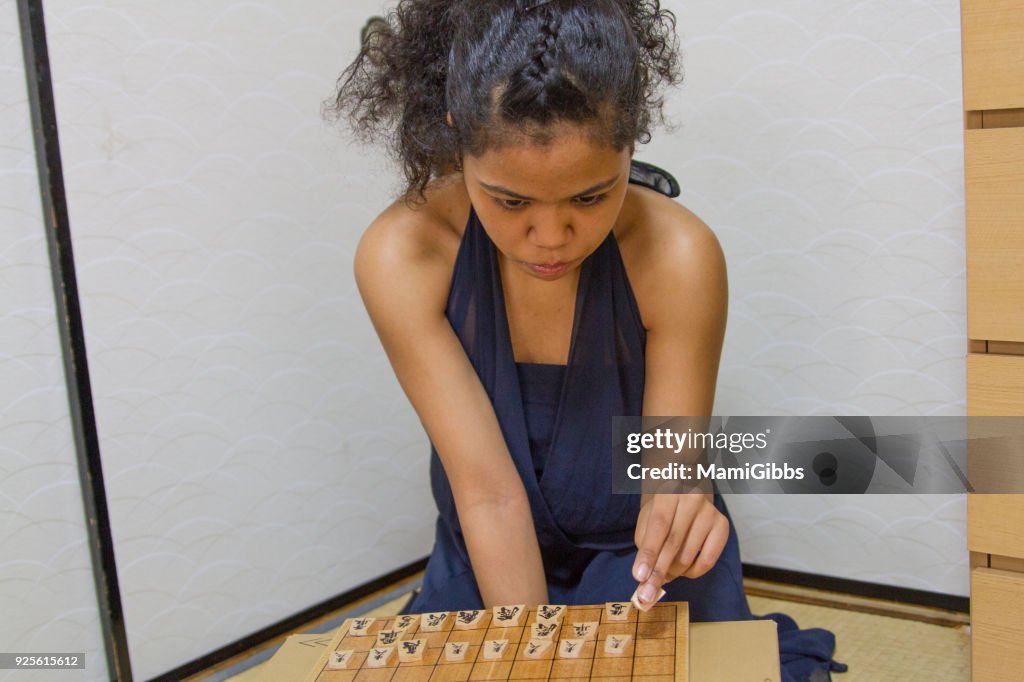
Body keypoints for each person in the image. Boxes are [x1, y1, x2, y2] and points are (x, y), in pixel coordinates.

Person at [330, 2, 845, 680]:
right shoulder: (403, 253)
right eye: (511, 202)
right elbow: (487, 493)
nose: (550, 238)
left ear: (632, 141)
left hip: (635, 560)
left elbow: (668, 472)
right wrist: (536, 658)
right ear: (457, 138)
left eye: (591, 197)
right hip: (487, 550)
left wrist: (680, 505)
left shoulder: (680, 255)